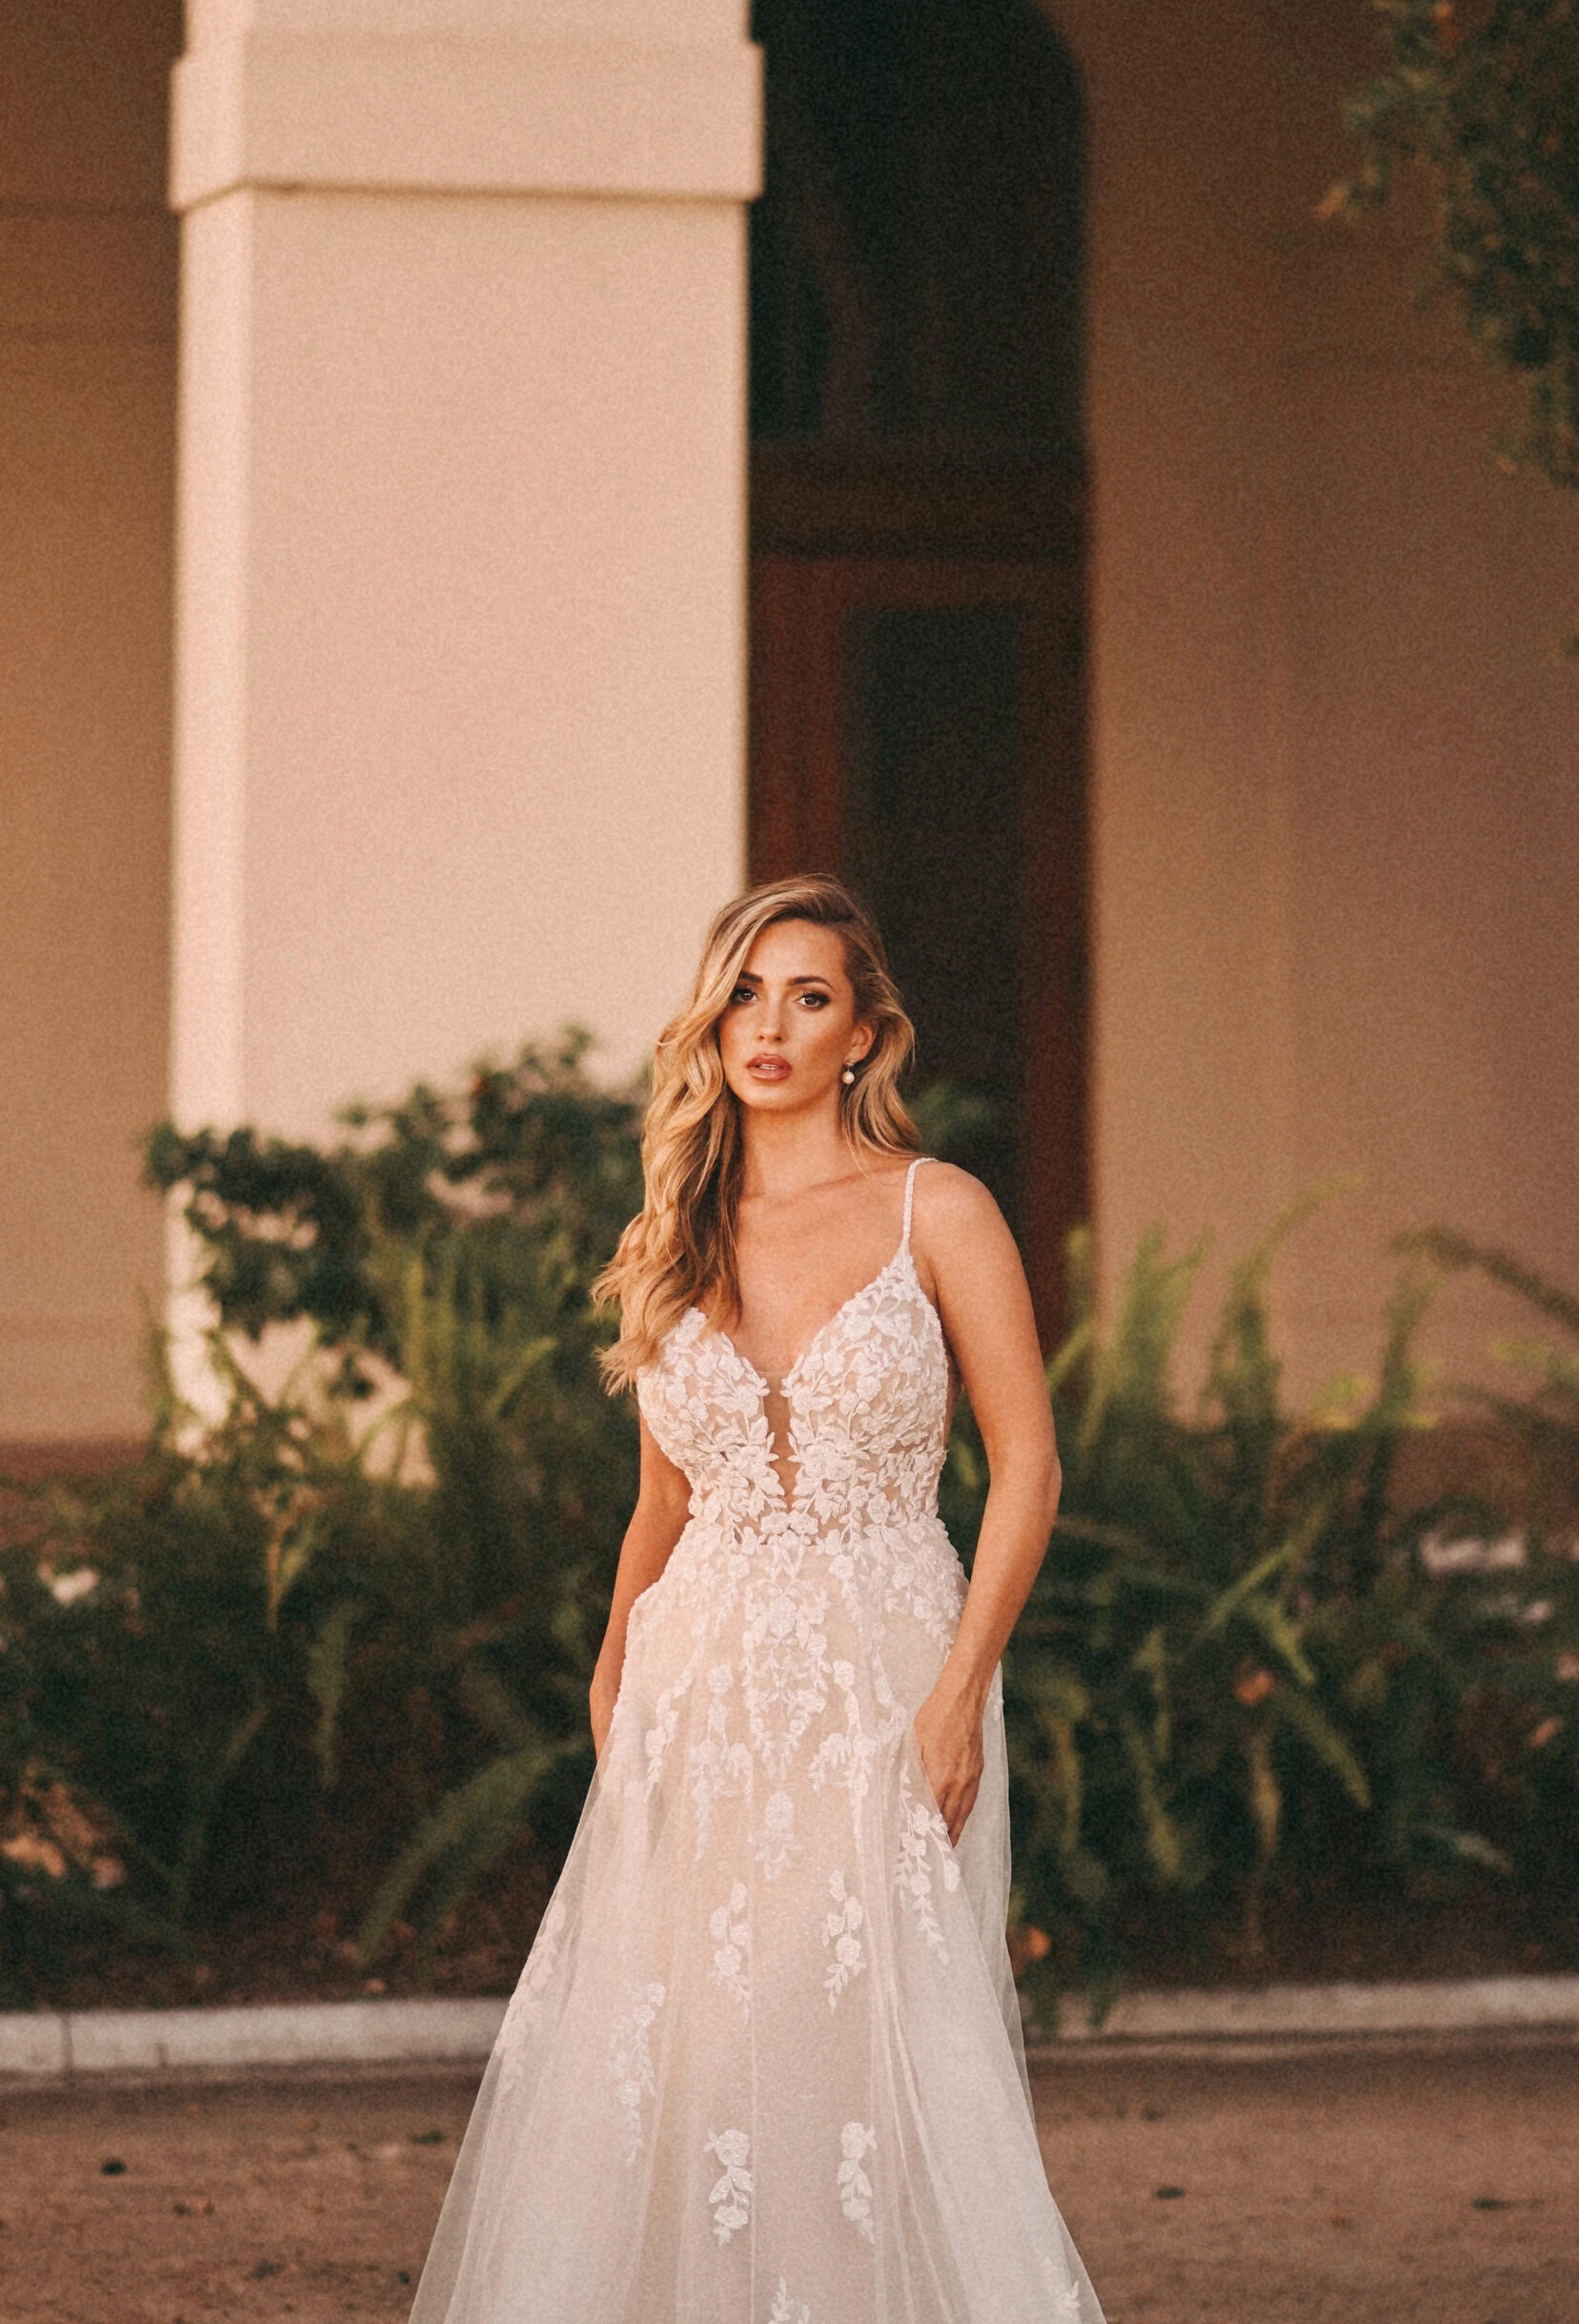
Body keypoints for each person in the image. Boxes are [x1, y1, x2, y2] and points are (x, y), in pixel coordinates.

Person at [410, 874, 1105, 2324]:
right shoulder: (677, 1227)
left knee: (863, 2049)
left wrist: (962, 1691)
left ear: (862, 1035)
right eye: (745, 993)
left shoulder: (938, 1209)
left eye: (808, 998)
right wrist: (612, 1674)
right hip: (699, 1688)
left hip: (887, 1675)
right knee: (698, 2058)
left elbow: (1026, 1464)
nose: (769, 1026)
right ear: (714, 1022)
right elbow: (663, 1500)